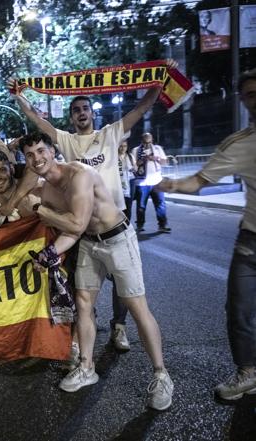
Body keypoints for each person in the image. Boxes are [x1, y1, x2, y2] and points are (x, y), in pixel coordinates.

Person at [6, 72, 171, 352]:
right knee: (81, 292)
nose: (81, 113)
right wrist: (19, 96)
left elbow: (141, 108)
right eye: (75, 110)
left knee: (124, 289)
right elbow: (36, 120)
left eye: (85, 108)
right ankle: (81, 347)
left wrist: (159, 81)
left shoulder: (110, 133)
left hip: (114, 220)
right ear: (71, 117)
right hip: (80, 228)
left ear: (92, 113)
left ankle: (119, 328)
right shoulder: (66, 141)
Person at [21, 132, 173, 411]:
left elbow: (76, 223)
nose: (37, 158)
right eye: (30, 155)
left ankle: (161, 375)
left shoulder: (80, 174)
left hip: (117, 238)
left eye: (41, 151)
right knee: (83, 304)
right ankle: (87, 367)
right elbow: (73, 230)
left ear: (53, 151)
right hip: (89, 243)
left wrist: (40, 209)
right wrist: (49, 253)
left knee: (137, 306)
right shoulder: (48, 189)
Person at [156, 68, 256, 401]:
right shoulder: (240, 145)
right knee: (238, 310)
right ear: (243, 100)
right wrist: (169, 184)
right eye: (250, 93)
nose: (255, 98)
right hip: (250, 242)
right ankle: (247, 372)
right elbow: (198, 181)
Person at [132, 133, 170, 232]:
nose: (147, 145)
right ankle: (140, 225)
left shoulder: (157, 149)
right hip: (142, 183)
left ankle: (162, 225)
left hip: (157, 181)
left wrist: (156, 158)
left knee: (160, 204)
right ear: (141, 141)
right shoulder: (136, 150)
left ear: (152, 140)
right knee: (141, 206)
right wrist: (143, 160)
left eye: (149, 142)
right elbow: (133, 166)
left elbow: (165, 162)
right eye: (145, 142)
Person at [118, 141, 137, 222]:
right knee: (119, 205)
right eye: (121, 146)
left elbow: (135, 167)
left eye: (125, 146)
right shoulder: (113, 157)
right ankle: (119, 224)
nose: (123, 148)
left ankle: (127, 224)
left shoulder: (130, 156)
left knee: (129, 204)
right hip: (118, 182)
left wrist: (134, 168)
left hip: (130, 181)